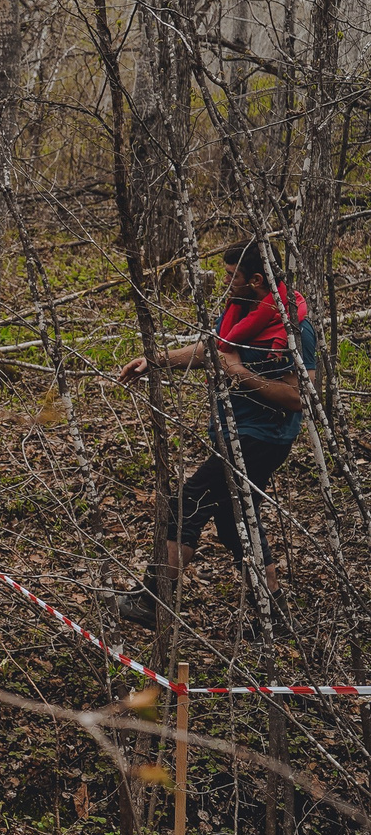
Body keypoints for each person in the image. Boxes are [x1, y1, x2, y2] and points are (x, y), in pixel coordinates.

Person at [116, 243, 318, 627]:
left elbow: (297, 397)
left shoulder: (293, 328)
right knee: (235, 519)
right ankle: (272, 613)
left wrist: (238, 372)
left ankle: (153, 603)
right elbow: (213, 351)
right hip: (235, 433)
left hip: (262, 439)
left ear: (256, 280)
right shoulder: (242, 311)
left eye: (231, 277)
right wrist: (154, 362)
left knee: (187, 504)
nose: (225, 283)